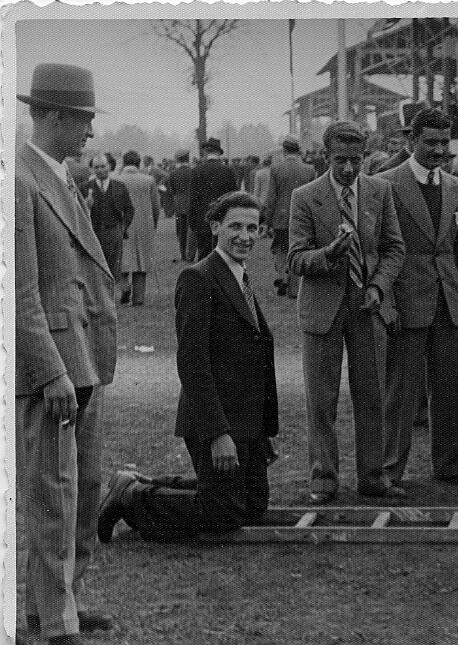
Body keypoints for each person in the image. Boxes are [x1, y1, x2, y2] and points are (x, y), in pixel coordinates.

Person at [97, 192, 280, 541]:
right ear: (215, 227)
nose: (244, 236)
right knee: (222, 513)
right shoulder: (199, 278)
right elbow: (193, 364)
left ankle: (144, 483)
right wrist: (217, 434)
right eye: (235, 226)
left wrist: (261, 431)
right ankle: (132, 497)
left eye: (252, 228)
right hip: (214, 419)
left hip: (246, 420)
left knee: (253, 506)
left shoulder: (240, 275)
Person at [16, 62, 118, 645]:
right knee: (54, 492)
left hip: (85, 359)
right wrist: (50, 370)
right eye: (82, 120)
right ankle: (54, 621)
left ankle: (65, 598)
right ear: (52, 116)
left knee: (86, 489)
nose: (88, 133)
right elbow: (21, 292)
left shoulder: (57, 177)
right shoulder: (20, 181)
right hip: (55, 365)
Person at [288, 121, 407, 502]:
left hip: (367, 307)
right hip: (323, 310)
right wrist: (329, 255)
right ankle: (323, 478)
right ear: (325, 156)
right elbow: (295, 257)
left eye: (356, 160)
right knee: (322, 400)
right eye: (341, 160)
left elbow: (394, 249)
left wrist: (377, 287)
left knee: (371, 396)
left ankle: (373, 477)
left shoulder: (380, 191)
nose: (349, 169)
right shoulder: (305, 197)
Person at [377, 108, 458, 486]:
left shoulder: (457, 187)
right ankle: (391, 467)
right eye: (431, 142)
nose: (439, 150)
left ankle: (451, 464)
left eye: (444, 143)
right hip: (406, 302)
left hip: (450, 300)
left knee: (452, 384)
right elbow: (380, 251)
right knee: (401, 391)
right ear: (412, 141)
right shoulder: (385, 184)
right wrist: (386, 302)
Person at [265, 135, 316, 298]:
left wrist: (267, 220)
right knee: (297, 250)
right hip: (302, 217)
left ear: (284, 150)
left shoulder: (276, 169)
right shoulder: (309, 169)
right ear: (299, 151)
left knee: (280, 248)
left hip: (281, 216)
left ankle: (282, 277)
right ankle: (294, 288)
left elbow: (271, 198)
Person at [117, 150, 161, 306]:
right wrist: (154, 223)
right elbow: (156, 206)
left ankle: (124, 285)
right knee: (141, 261)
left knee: (121, 258)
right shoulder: (148, 180)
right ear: (138, 163)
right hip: (144, 224)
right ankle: (138, 298)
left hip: (121, 224)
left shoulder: (115, 179)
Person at [83, 152, 134, 283]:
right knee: (95, 267)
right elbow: (77, 211)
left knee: (113, 268)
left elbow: (129, 209)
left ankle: (111, 298)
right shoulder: (85, 188)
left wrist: (122, 228)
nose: (100, 170)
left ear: (109, 167)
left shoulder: (119, 186)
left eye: (102, 166)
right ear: (92, 169)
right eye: (96, 167)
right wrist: (86, 206)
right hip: (93, 233)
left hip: (113, 232)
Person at [189, 137, 238, 260]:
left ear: (206, 152)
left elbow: (193, 199)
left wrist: (192, 222)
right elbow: (234, 197)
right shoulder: (228, 171)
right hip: (223, 219)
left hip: (203, 220)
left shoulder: (196, 171)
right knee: (223, 256)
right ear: (219, 153)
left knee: (204, 257)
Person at [165, 150, 194, 261]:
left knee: (181, 231)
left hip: (179, 205)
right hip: (191, 204)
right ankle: (190, 254)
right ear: (188, 159)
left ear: (178, 160)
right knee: (191, 230)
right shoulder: (193, 171)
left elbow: (171, 190)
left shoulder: (173, 173)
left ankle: (183, 254)